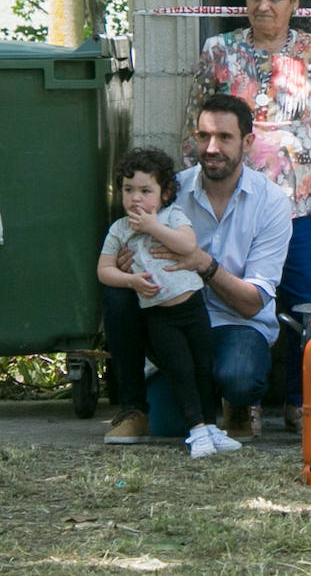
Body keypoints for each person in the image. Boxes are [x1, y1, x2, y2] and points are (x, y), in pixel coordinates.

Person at [181, 0, 311, 435]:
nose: (264, 6)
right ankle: (242, 400)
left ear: (294, 2)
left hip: (295, 202)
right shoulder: (218, 49)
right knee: (229, 293)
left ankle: (301, 400)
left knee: (306, 303)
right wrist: (190, 190)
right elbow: (196, 122)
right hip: (229, 204)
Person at [102, 94, 293, 446]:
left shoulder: (273, 203)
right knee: (167, 425)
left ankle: (234, 402)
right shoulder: (168, 189)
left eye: (224, 137)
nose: (211, 147)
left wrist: (204, 264)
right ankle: (134, 409)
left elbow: (253, 303)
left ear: (247, 142)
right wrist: (127, 266)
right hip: (169, 318)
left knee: (239, 376)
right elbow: (126, 244)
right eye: (204, 136)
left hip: (236, 324)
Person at [97, 147, 244, 458]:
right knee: (181, 370)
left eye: (145, 191)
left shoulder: (171, 217)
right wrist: (130, 281)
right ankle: (196, 431)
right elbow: (104, 270)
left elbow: (187, 244)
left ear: (164, 194)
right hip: (159, 316)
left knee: (203, 367)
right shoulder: (120, 230)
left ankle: (211, 426)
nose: (135, 198)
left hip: (192, 308)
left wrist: (153, 228)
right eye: (128, 190)